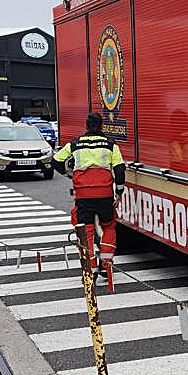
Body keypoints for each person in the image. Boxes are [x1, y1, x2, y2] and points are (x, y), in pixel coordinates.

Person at [52, 113, 125, 279]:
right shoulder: (110, 144)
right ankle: (106, 266)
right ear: (102, 126)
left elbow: (56, 161)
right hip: (105, 193)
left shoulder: (75, 143)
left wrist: (70, 174)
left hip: (83, 194)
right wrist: (119, 192)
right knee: (108, 227)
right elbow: (120, 169)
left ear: (86, 126)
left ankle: (91, 268)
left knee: (86, 231)